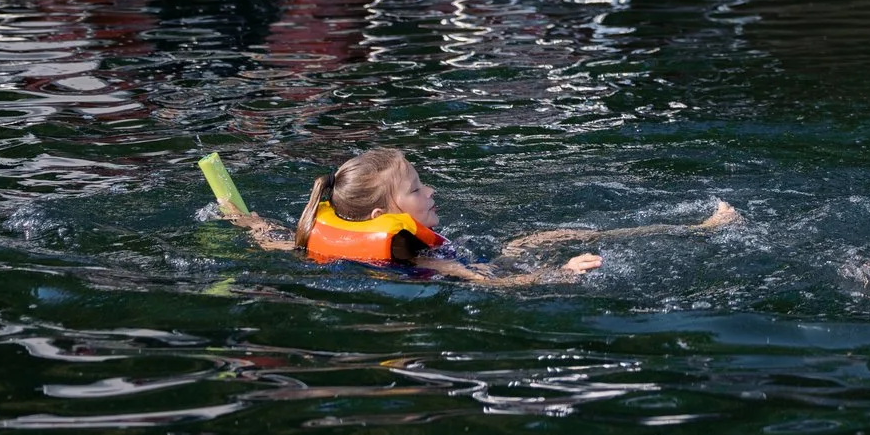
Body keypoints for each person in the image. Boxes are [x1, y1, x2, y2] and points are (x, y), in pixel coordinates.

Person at [210, 146, 739, 285]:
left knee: (539, 234)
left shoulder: (310, 244)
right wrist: (560, 274)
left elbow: (272, 238)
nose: (429, 190)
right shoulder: (409, 252)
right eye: (416, 188)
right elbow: (486, 284)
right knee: (534, 249)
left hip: (466, 261)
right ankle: (700, 229)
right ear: (383, 213)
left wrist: (243, 218)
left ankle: (692, 225)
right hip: (471, 271)